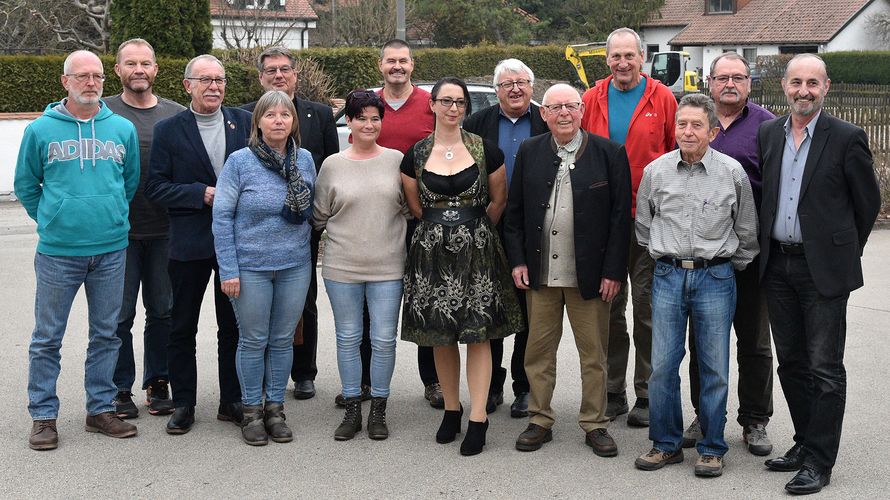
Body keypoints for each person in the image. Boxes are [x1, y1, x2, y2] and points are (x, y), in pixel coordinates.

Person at [758, 54, 880, 495]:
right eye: (796, 83)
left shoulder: (847, 137)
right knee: (791, 363)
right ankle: (805, 443)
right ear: (785, 87)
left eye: (812, 82)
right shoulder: (769, 133)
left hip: (822, 270)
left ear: (826, 87)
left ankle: (820, 462)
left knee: (825, 368)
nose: (803, 90)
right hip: (778, 266)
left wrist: (839, 253)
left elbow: (866, 205)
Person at [15, 50, 140, 450]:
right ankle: (43, 416)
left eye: (98, 76)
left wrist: (111, 215)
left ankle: (100, 408)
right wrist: (53, 220)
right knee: (47, 336)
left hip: (111, 249)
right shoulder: (40, 130)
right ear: (65, 81)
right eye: (82, 76)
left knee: (106, 333)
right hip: (58, 252)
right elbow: (26, 185)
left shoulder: (121, 129)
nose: (91, 82)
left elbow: (129, 182)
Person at [633, 93, 759, 477]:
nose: (688, 132)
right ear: (675, 128)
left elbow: (747, 232)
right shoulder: (656, 172)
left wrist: (720, 265)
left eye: (697, 125)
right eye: (682, 124)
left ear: (713, 131)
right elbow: (644, 226)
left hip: (716, 277)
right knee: (663, 367)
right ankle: (666, 444)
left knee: (714, 367)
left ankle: (712, 447)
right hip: (669, 276)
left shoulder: (732, 173)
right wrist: (668, 258)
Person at [504, 83, 631, 458]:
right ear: (543, 114)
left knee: (594, 354)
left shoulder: (609, 153)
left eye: (571, 107)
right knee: (538, 352)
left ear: (582, 111)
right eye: (555, 107)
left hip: (589, 275)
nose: (563, 114)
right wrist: (518, 261)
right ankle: (540, 418)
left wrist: (613, 272)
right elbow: (515, 214)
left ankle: (595, 424)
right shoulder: (530, 151)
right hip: (541, 274)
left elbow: (621, 218)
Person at [401, 77, 522, 456]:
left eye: (459, 102)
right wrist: (442, 229)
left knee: (478, 334)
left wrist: (470, 229)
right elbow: (416, 207)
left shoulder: (487, 150)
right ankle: (451, 411)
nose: (453, 108)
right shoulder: (416, 154)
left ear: (466, 108)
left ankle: (479, 417)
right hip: (431, 252)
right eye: (446, 101)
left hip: (478, 250)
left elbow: (498, 201)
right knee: (441, 334)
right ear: (433, 105)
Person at [145, 54, 252, 435]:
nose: (213, 86)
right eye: (204, 79)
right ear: (187, 85)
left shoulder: (244, 122)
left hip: (236, 244)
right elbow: (155, 187)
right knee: (181, 326)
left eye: (219, 79)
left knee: (233, 327)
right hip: (189, 242)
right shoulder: (170, 130)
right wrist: (200, 193)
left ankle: (232, 401)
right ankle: (184, 403)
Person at [581, 27, 678, 427]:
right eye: (616, 57)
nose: (623, 63)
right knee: (607, 307)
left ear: (643, 58)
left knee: (648, 308)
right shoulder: (591, 98)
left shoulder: (663, 97)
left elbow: (676, 154)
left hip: (649, 218)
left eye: (630, 56)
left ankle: (646, 391)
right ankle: (612, 390)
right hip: (602, 220)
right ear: (607, 60)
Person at [682, 52, 776, 456]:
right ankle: (705, 415)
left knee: (754, 342)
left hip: (751, 254)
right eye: (722, 78)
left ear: (749, 83)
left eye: (738, 77)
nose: (730, 84)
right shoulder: (695, 120)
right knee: (703, 342)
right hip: (704, 253)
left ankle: (755, 419)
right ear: (709, 81)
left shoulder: (768, 126)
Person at [213, 90, 315, 446]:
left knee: (283, 339)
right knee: (254, 340)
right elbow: (222, 217)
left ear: (293, 122)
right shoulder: (239, 162)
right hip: (250, 267)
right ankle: (251, 411)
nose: (278, 121)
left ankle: (275, 409)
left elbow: (310, 212)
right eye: (270, 115)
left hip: (294, 265)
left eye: (284, 115)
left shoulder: (304, 160)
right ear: (257, 121)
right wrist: (228, 269)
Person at [241, 46, 338, 402]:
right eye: (271, 71)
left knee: (303, 300)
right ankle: (264, 373)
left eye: (285, 69)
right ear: (261, 77)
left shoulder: (321, 114)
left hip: (303, 225)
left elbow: (328, 170)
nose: (278, 75)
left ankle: (304, 371)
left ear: (295, 74)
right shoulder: (245, 115)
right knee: (261, 308)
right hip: (258, 231)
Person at [313, 90, 408, 441]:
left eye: (375, 118)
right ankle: (353, 406)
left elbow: (408, 207)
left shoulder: (398, 160)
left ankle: (379, 408)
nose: (369, 124)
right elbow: (319, 215)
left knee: (383, 339)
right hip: (342, 268)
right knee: (348, 337)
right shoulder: (333, 164)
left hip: (388, 266)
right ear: (348, 122)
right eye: (361, 118)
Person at [104, 38, 185, 420]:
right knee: (119, 316)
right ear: (118, 69)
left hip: (166, 231)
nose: (139, 70)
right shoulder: (102, 112)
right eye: (131, 63)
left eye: (146, 63)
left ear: (155, 69)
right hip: (117, 234)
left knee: (162, 312)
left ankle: (158, 380)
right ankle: (119, 388)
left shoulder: (175, 114)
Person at [462, 58, 547, 418]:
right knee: (490, 307)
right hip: (489, 224)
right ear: (496, 91)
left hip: (536, 227)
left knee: (530, 311)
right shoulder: (477, 125)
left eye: (522, 82)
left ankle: (523, 387)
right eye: (507, 83)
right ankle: (491, 385)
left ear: (532, 86)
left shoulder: (547, 121)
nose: (515, 88)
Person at [369, 39, 443, 409]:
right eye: (390, 61)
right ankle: (365, 380)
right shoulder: (369, 106)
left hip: (420, 217)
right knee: (371, 297)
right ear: (380, 65)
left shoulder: (429, 105)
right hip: (376, 216)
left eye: (403, 61)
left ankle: (432, 381)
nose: (397, 67)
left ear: (413, 65)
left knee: (426, 298)